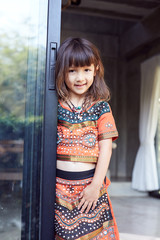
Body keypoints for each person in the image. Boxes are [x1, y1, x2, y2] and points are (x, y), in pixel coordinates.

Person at [55, 37, 119, 240]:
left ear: (96, 68)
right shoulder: (54, 105)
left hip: (90, 189)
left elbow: (106, 150)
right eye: (72, 70)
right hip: (56, 189)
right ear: (62, 71)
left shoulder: (101, 107)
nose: (79, 77)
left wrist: (94, 187)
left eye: (86, 70)